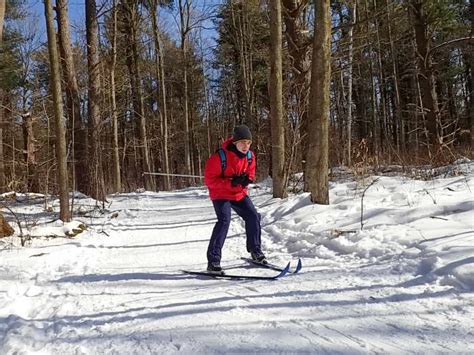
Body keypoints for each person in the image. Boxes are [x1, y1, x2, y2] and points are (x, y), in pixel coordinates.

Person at [204, 124, 266, 272]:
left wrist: (247, 179)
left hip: (238, 193)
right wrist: (230, 182)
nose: (246, 146)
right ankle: (213, 261)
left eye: (249, 142)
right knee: (224, 220)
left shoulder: (250, 156)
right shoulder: (219, 157)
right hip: (220, 194)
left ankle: (255, 250)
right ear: (235, 142)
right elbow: (210, 181)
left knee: (253, 216)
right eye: (243, 142)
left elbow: (251, 173)